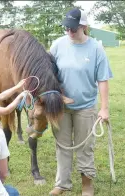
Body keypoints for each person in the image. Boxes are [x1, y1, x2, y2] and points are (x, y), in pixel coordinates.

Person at [49, 8, 113, 196]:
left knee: (85, 147)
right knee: (63, 146)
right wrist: (57, 96)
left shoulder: (96, 48)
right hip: (61, 107)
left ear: (84, 27)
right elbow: (49, 74)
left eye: (73, 29)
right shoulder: (58, 45)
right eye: (67, 28)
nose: (69, 32)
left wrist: (104, 108)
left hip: (85, 107)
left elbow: (102, 79)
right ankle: (62, 184)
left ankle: (87, 184)